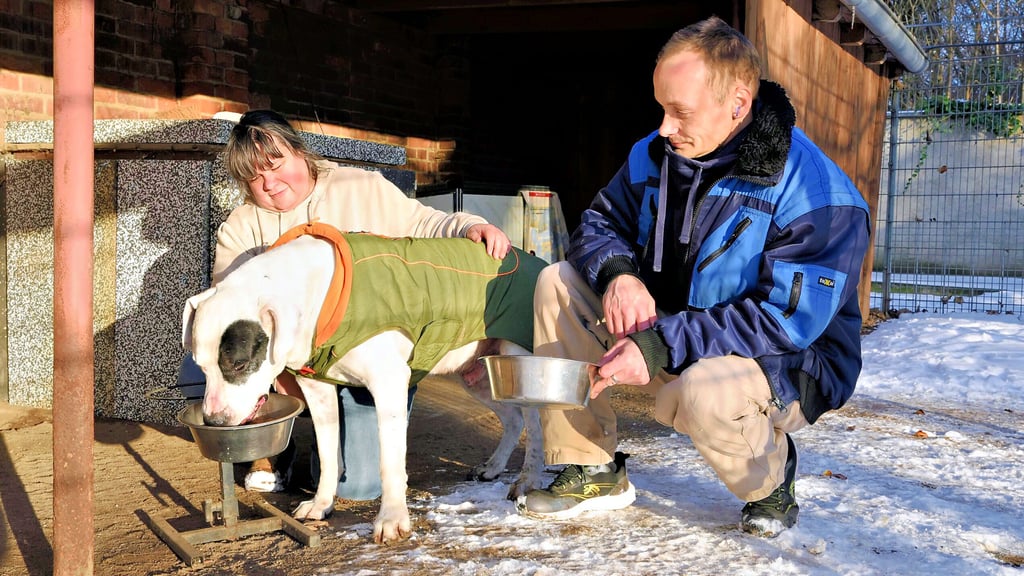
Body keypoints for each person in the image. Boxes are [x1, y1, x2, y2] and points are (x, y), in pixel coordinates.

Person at [516, 16, 871, 538]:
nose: (663, 127)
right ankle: (590, 465)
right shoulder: (654, 155)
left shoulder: (819, 194)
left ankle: (771, 478)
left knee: (704, 391)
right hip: (676, 330)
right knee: (558, 283)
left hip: (787, 361)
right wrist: (619, 276)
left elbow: (784, 323)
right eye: (661, 107)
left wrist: (659, 345)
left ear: (738, 105)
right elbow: (597, 224)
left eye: (680, 111)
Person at [206, 109, 511, 499]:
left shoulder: (359, 186)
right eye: (255, 177)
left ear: (300, 152)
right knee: (242, 352)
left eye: (276, 165)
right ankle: (273, 449)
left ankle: (334, 447)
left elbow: (423, 222)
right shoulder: (241, 227)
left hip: (370, 351)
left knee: (360, 486)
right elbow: (232, 310)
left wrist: (469, 226)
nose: (270, 183)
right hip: (303, 365)